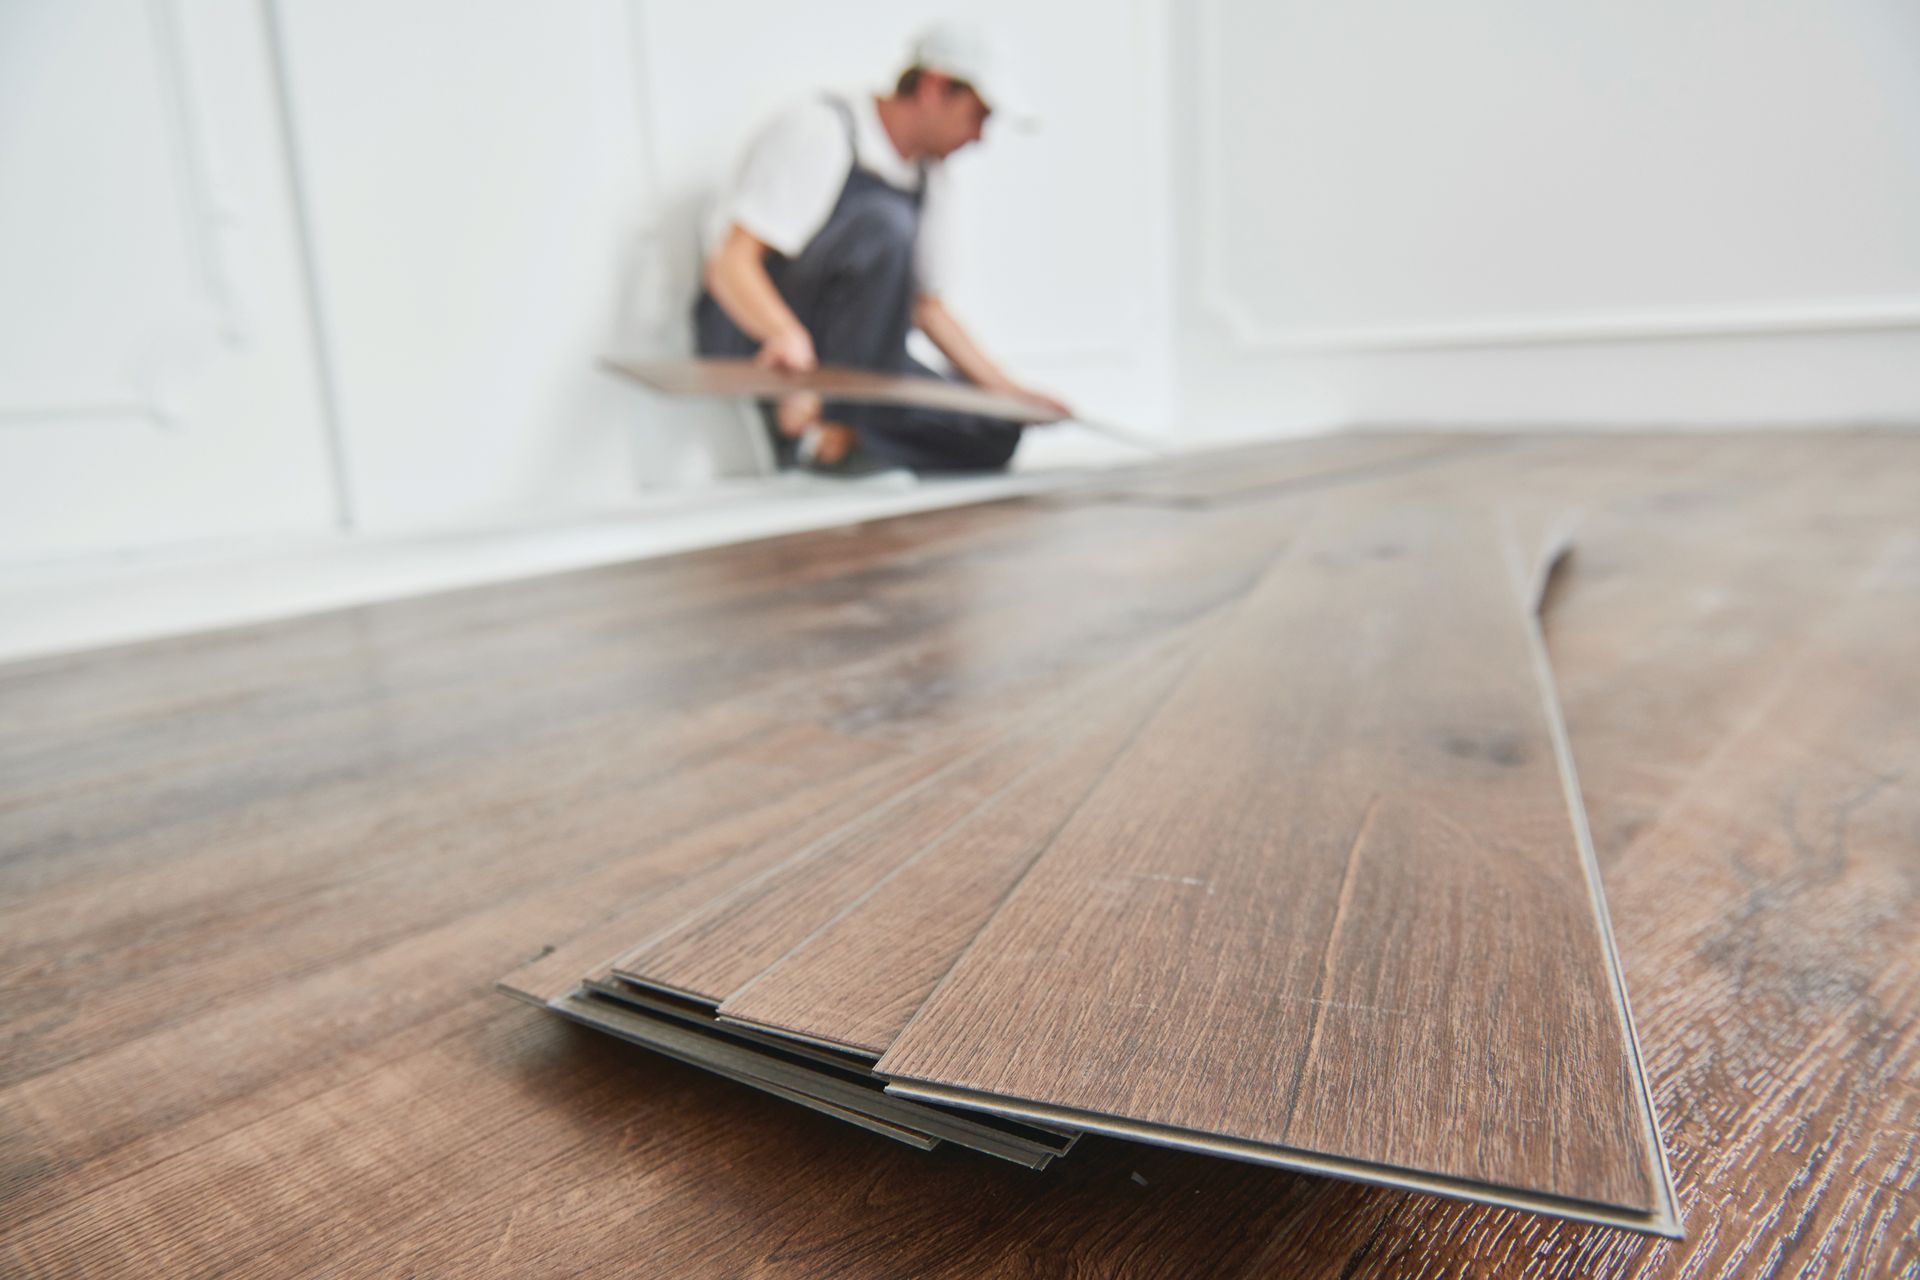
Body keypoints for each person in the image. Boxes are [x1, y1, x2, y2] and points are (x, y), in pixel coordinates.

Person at [693, 22, 1069, 474]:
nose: (979, 136)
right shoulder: (822, 128)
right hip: (758, 334)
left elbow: (927, 307)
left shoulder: (930, 176)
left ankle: (836, 434)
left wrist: (1010, 394)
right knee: (884, 226)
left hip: (862, 358)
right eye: (978, 114)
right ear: (934, 87)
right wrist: (784, 337)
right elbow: (731, 264)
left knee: (994, 431)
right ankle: (835, 433)